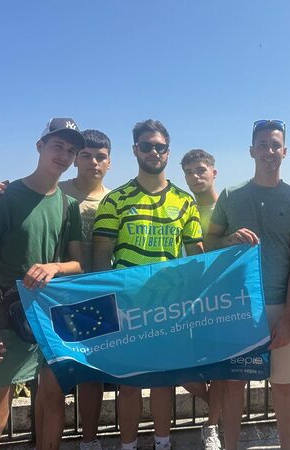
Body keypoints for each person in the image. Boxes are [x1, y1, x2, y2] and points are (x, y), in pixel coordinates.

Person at [0, 129, 113, 450]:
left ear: (109, 161)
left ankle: (85, 441)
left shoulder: (105, 200)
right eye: (59, 147)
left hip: (68, 307)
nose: (65, 156)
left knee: (64, 391)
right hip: (17, 311)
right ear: (40, 146)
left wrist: (54, 267)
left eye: (71, 150)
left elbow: (77, 263)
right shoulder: (23, 195)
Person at [92, 119, 203, 450]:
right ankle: (128, 446)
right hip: (126, 308)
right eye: (146, 146)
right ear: (135, 150)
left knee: (163, 382)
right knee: (128, 385)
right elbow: (101, 259)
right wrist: (107, 307)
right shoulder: (115, 200)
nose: (153, 152)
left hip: (169, 308)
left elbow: (196, 257)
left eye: (159, 147)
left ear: (168, 151)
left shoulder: (185, 201)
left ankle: (162, 444)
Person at [205, 120, 290, 450]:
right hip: (238, 306)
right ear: (251, 151)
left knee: (282, 386)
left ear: (285, 151)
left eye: (275, 145)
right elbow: (209, 245)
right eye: (262, 144)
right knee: (234, 385)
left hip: (281, 306)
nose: (269, 151)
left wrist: (287, 317)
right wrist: (229, 240)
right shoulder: (230, 195)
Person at [180, 149, 224, 450]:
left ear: (213, 172)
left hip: (221, 298)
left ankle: (212, 425)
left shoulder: (229, 206)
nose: (195, 177)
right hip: (187, 300)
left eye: (201, 170)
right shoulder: (184, 208)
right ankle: (221, 405)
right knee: (178, 367)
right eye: (189, 172)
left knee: (221, 369)